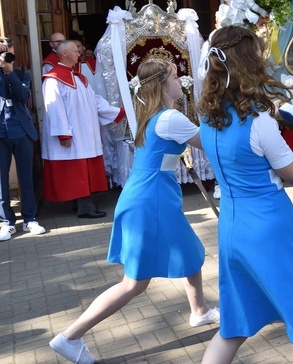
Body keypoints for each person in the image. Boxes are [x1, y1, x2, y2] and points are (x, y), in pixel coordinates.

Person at [49, 58, 219, 363]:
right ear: (162, 84)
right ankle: (70, 337)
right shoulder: (169, 118)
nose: (181, 81)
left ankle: (200, 311)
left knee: (191, 252)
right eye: (175, 77)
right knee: (134, 283)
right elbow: (212, 143)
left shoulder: (156, 114)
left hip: (150, 198)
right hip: (150, 203)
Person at [198, 25, 293, 364]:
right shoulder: (258, 121)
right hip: (270, 225)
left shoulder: (207, 115)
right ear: (250, 63)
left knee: (234, 325)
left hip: (232, 226)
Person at [41, 40, 124, 218]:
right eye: (75, 51)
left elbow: (96, 102)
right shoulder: (54, 78)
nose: (79, 53)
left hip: (85, 133)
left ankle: (80, 204)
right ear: (64, 54)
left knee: (83, 168)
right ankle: (86, 208)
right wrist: (63, 133)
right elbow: (54, 108)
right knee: (76, 171)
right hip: (72, 133)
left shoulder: (79, 77)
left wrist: (119, 112)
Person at [0, 37, 45, 241]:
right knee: (1, 180)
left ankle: (29, 219)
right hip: (1, 131)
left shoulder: (21, 73)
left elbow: (22, 95)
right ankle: (7, 222)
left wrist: (9, 72)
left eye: (8, 47)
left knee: (26, 176)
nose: (5, 51)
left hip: (21, 130)